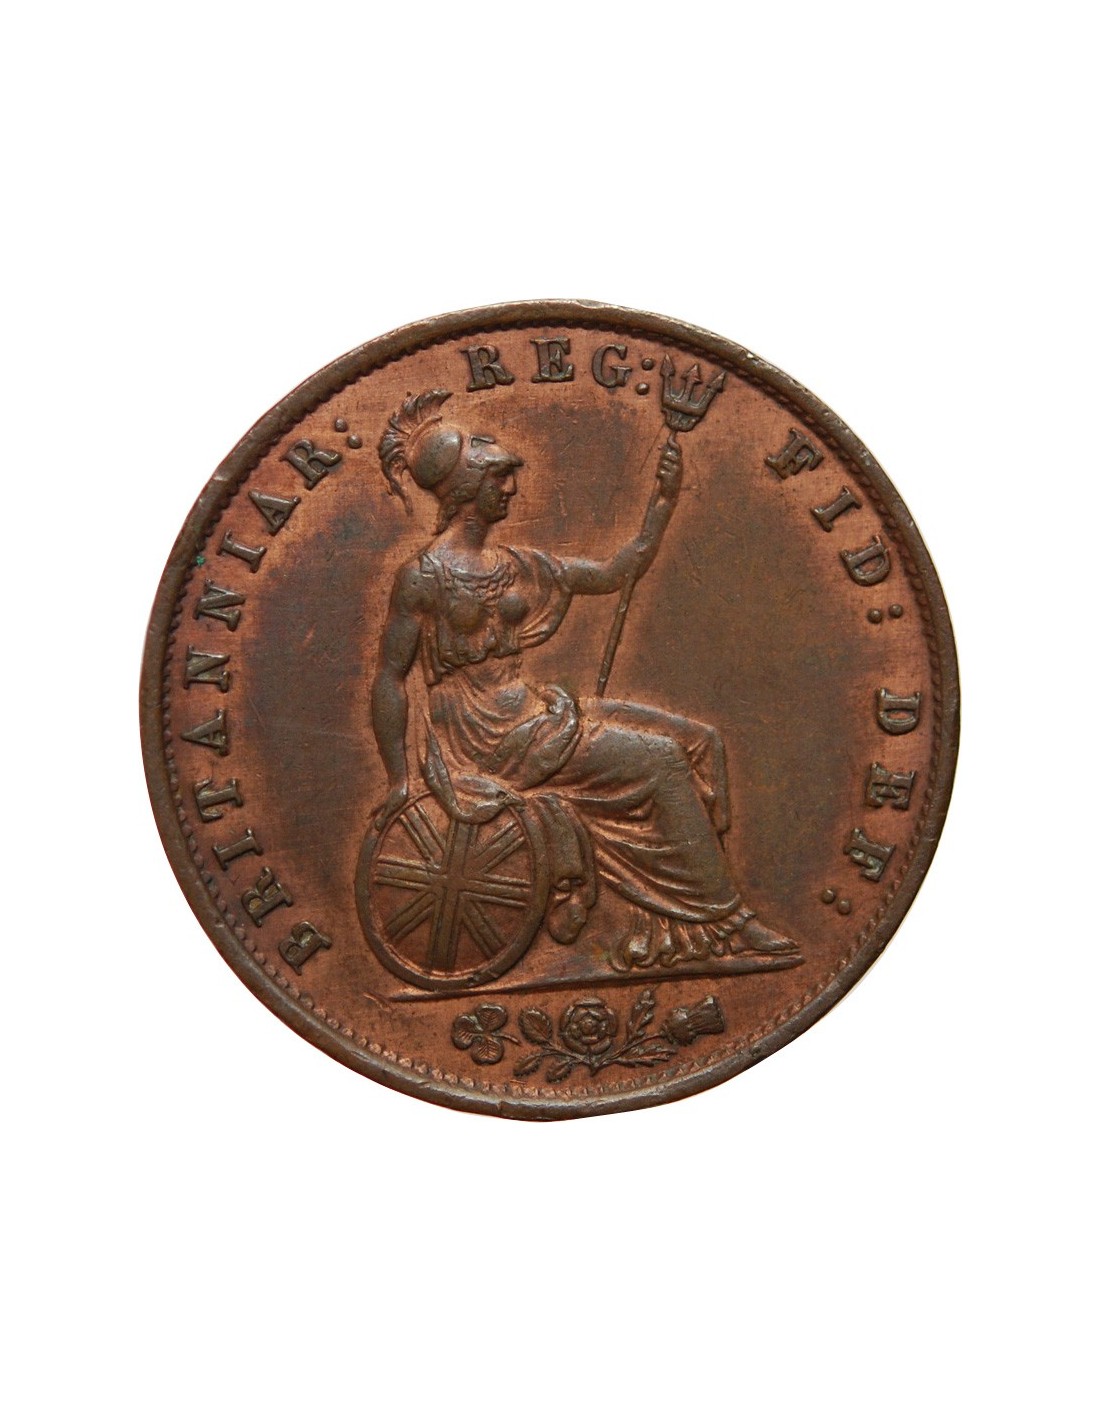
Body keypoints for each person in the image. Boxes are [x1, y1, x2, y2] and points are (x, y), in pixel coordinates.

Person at [370, 388, 797, 966]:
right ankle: (727, 920)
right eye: (499, 477)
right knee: (662, 760)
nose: (511, 488)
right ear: (467, 488)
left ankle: (671, 925)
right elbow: (389, 679)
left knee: (697, 741)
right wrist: (399, 778)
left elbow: (619, 570)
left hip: (535, 716)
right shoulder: (421, 578)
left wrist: (663, 501)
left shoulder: (516, 566)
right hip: (484, 739)